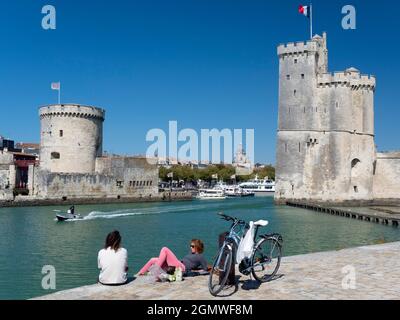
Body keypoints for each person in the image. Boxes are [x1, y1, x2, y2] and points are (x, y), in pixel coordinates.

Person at [138, 239, 208, 277]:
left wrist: (196, 272)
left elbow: (205, 269)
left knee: (165, 249)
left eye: (192, 246)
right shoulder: (191, 253)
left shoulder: (200, 256)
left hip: (181, 268)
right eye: (190, 245)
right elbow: (192, 264)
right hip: (177, 264)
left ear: (197, 247)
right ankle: (140, 273)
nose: (190, 247)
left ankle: (156, 270)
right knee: (152, 259)